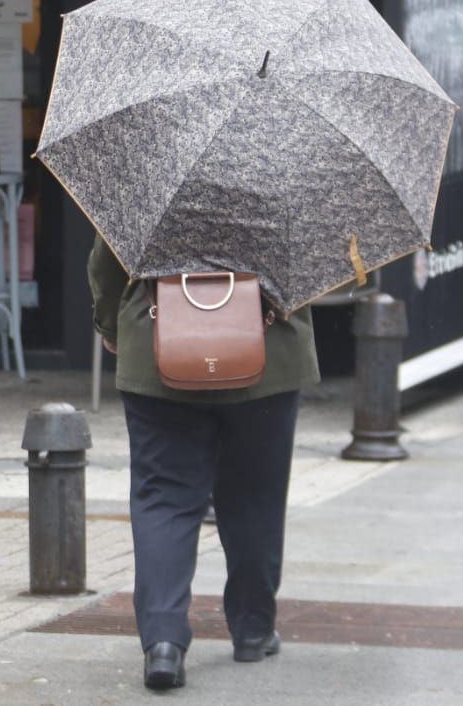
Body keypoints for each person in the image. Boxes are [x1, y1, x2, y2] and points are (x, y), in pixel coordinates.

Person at [88, 237, 319, 692]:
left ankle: (163, 643)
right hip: (266, 347)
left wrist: (112, 324)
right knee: (257, 493)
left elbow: (110, 255)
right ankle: (253, 628)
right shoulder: (284, 169)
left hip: (159, 344)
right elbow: (310, 263)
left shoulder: (146, 168)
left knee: (163, 497)